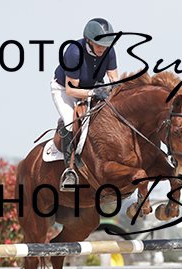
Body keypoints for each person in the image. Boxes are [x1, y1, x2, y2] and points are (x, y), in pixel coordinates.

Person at [51, 18, 119, 191]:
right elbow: (71, 90)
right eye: (99, 44)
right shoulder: (74, 53)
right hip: (65, 90)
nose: (103, 48)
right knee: (70, 123)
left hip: (94, 86)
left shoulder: (109, 50)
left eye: (106, 45)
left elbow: (114, 79)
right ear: (88, 40)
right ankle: (69, 170)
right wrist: (94, 93)